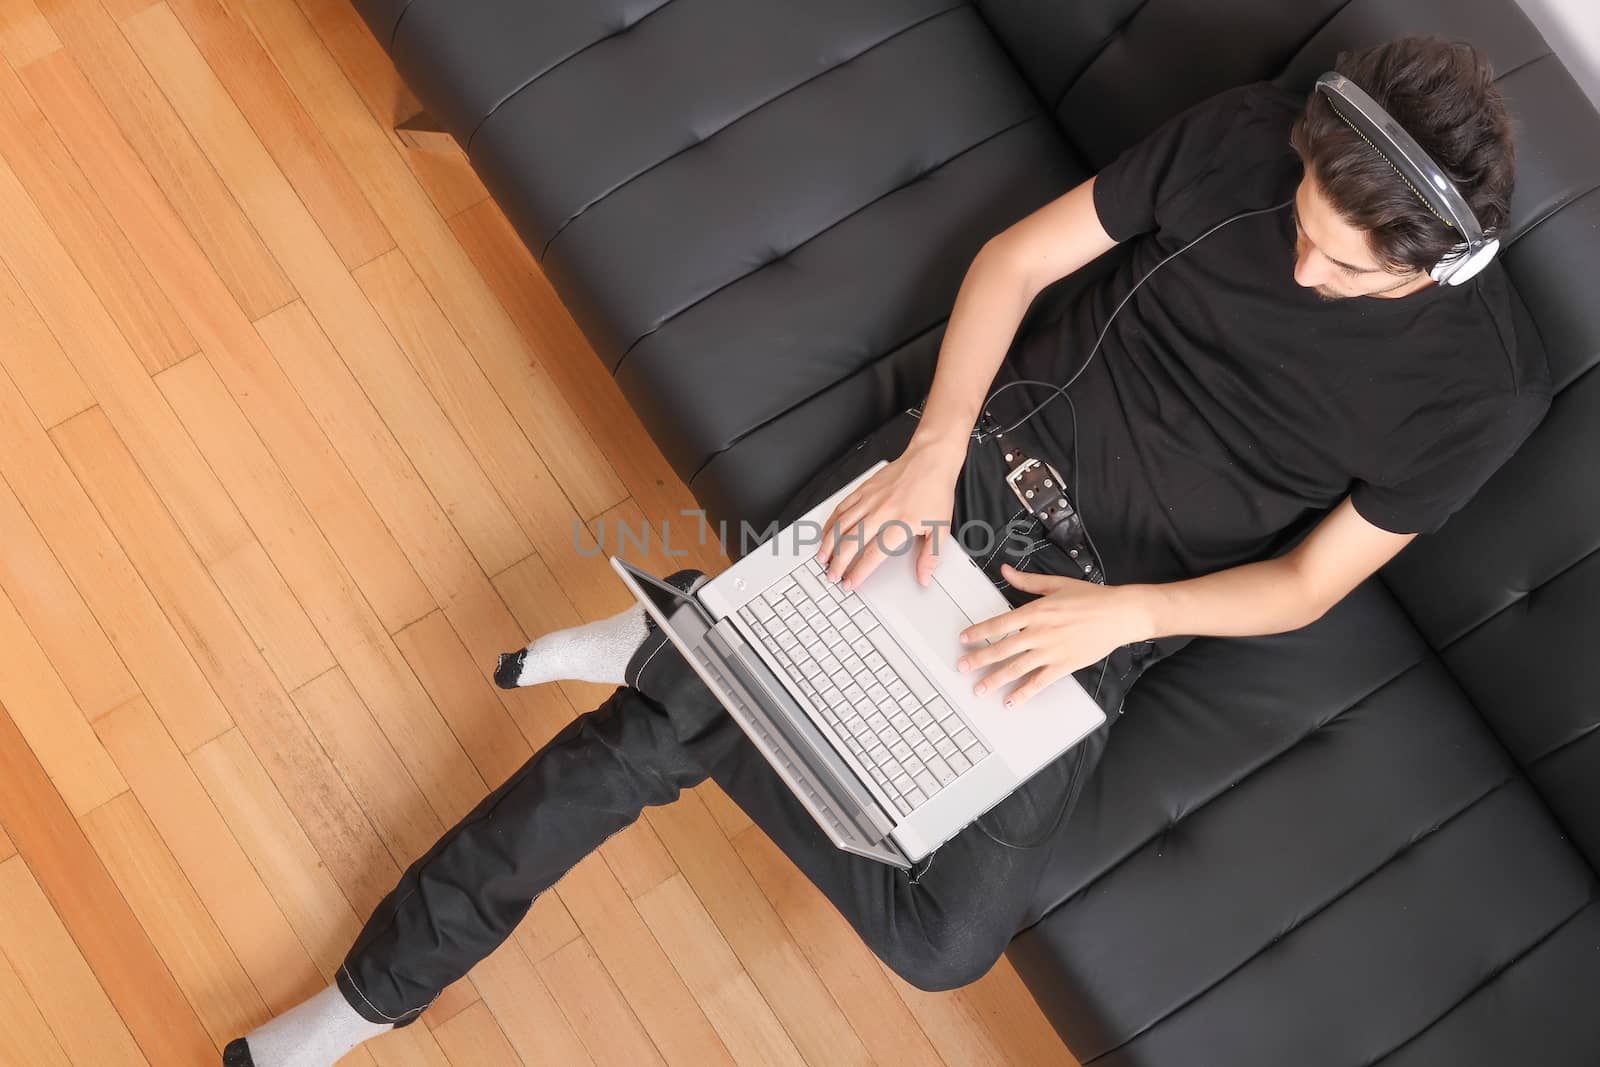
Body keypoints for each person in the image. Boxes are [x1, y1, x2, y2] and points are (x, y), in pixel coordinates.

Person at [225, 35, 1549, 1067]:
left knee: (943, 940)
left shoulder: (1481, 391)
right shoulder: (1254, 141)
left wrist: (1124, 622)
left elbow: (1315, 581)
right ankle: (371, 997)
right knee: (636, 753)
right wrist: (930, 453)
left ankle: (683, 649)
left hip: (1099, 618)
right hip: (967, 476)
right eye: (1306, 229)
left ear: (1441, 266)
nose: (1306, 269)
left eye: (1347, 269)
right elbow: (1021, 262)